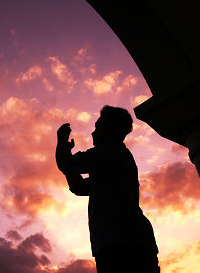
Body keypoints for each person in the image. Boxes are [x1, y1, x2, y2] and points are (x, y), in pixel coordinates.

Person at [56, 105, 159, 273]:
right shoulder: (112, 159)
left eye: (97, 127)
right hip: (121, 241)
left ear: (109, 128)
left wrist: (61, 144)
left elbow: (67, 164)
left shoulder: (110, 153)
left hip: (122, 243)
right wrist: (67, 158)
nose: (92, 132)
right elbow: (79, 187)